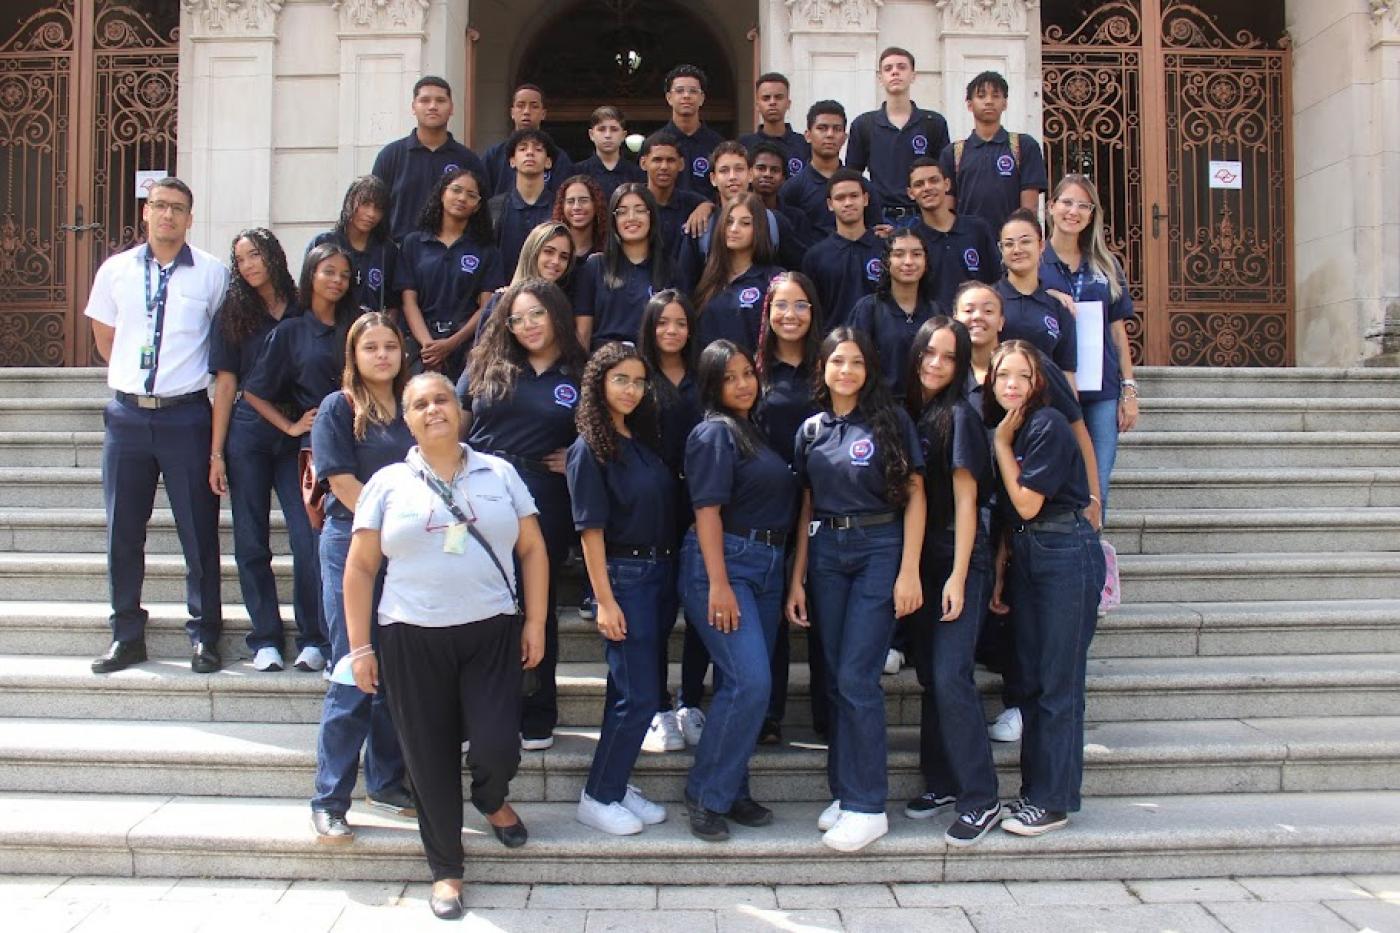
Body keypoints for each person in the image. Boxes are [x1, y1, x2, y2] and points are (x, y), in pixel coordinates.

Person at [346, 371, 548, 920]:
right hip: (409, 635)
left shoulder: (499, 472)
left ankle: (489, 796)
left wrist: (535, 622)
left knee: (498, 741)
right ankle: (446, 871)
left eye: (442, 400)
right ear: (405, 419)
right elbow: (361, 568)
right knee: (428, 757)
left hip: (492, 630)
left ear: (460, 409)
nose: (433, 409)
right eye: (419, 404)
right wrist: (360, 648)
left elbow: (532, 549)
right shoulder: (387, 483)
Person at [786, 327, 926, 853]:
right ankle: (846, 793)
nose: (846, 370)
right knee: (836, 680)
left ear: (869, 370)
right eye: (837, 361)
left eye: (856, 362)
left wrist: (909, 569)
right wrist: (797, 577)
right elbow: (805, 505)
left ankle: (869, 806)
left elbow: (915, 496)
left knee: (857, 678)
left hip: (878, 547)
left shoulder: (890, 422)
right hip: (826, 553)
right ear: (822, 368)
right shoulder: (811, 430)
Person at [85, 176, 228, 675]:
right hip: (127, 417)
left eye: (178, 208)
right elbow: (105, 338)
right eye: (160, 206)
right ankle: (126, 636)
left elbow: (222, 347)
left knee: (198, 532)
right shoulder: (115, 271)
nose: (167, 215)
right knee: (123, 532)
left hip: (187, 416)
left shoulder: (212, 274)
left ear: (191, 218)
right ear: (146, 212)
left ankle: (205, 635)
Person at [951, 281, 1102, 747]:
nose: (978, 317)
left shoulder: (1037, 388)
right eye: (968, 309)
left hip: (1042, 521)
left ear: (1002, 318)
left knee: (1045, 657)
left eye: (988, 309)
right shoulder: (952, 372)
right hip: (1000, 525)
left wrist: (1095, 499)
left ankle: (1031, 728)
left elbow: (1075, 433)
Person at [459, 280, 587, 751]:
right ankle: (480, 714)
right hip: (481, 494)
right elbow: (457, 419)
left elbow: (607, 429)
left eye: (537, 315)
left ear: (556, 314)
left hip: (543, 501)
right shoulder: (487, 364)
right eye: (517, 318)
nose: (527, 325)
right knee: (482, 605)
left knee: (536, 606)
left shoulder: (579, 371)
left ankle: (536, 709)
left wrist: (577, 453)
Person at [985, 340, 1106, 837]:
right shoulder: (1020, 428)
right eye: (1001, 377)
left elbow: (1029, 503)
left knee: (1058, 683)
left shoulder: (1048, 425)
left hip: (1063, 551)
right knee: (1033, 681)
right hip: (1031, 553)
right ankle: (1034, 793)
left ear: (1039, 382)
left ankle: (1053, 800)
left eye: (1021, 376)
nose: (1010, 385)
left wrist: (998, 446)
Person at [678, 340, 795, 841]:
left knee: (741, 685)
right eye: (730, 378)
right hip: (727, 564)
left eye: (747, 373)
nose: (743, 383)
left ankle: (732, 787)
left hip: (767, 565)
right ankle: (706, 794)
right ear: (711, 386)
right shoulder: (713, 434)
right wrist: (719, 583)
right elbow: (706, 512)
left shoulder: (752, 432)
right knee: (751, 682)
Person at [308, 312, 415, 842]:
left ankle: (388, 781)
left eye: (389, 346)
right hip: (352, 543)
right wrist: (387, 532)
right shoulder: (339, 407)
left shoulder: (415, 405)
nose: (381, 355)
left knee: (396, 668)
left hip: (409, 553)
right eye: (370, 346)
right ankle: (330, 799)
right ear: (354, 355)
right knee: (353, 668)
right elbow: (342, 483)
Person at [566, 342, 676, 836]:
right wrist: (605, 600)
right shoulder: (590, 447)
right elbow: (590, 531)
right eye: (620, 380)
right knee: (639, 695)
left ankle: (615, 779)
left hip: (658, 576)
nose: (631, 390)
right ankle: (599, 795)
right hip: (623, 579)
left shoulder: (639, 440)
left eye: (638, 381)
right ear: (599, 384)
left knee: (628, 694)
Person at [901, 317, 1001, 846]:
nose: (936, 364)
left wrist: (960, 576)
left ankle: (981, 798)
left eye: (947, 356)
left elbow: (967, 502)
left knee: (952, 675)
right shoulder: (916, 413)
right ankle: (940, 781)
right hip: (922, 557)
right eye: (928, 354)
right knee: (930, 677)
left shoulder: (960, 415)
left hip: (956, 556)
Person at [208, 228, 324, 673]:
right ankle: (266, 638)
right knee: (251, 540)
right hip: (248, 436)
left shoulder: (302, 306)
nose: (249, 265)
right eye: (240, 260)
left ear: (273, 255)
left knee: (306, 536)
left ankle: (313, 636)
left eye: (255, 254)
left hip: (296, 437)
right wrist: (217, 453)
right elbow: (226, 384)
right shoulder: (233, 314)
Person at [753, 272, 828, 744]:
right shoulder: (755, 370)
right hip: (765, 508)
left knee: (824, 615)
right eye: (781, 305)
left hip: (825, 503)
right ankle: (767, 715)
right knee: (769, 619)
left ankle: (828, 715)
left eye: (800, 305)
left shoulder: (828, 365)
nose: (790, 315)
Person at [1043, 174, 1138, 517]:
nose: (1074, 211)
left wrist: (1129, 390)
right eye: (1067, 202)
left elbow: (1117, 331)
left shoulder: (1106, 265)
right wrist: (1045, 295)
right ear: (1051, 207)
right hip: (1052, 389)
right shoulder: (1035, 262)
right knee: (1054, 478)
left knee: (1097, 484)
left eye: (1084, 205)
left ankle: (1093, 559)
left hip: (1101, 391)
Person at [636, 291, 705, 752]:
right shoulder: (638, 375)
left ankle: (692, 701)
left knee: (699, 611)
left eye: (680, 323)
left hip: (700, 501)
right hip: (651, 505)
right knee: (659, 611)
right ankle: (658, 705)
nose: (672, 332)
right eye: (663, 323)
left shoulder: (704, 376)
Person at [242, 245, 359, 468]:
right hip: (319, 442)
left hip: (362, 435)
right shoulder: (291, 331)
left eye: (345, 276)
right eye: (329, 272)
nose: (337, 280)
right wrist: (290, 426)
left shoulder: (359, 326)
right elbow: (253, 392)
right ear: (311, 274)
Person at [396, 168, 503, 381]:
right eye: (456, 190)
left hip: (466, 350)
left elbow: (487, 307)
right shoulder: (414, 243)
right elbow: (408, 302)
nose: (462, 198)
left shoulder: (486, 250)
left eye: (471, 195)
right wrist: (428, 346)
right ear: (442, 193)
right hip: (419, 348)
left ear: (478, 206)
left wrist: (451, 344)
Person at [372, 76, 487, 241]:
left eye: (440, 100)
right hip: (400, 255)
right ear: (413, 107)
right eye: (425, 100)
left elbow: (480, 212)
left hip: (453, 255)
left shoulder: (468, 160)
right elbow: (375, 208)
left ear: (451, 108)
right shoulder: (390, 156)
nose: (433, 107)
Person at [847, 47, 951, 228]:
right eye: (888, 69)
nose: (895, 72)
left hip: (924, 217)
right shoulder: (863, 125)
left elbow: (944, 176)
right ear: (880, 78)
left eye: (901, 67)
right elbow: (853, 177)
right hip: (879, 218)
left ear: (913, 75)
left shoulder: (933, 123)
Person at [939, 71, 1048, 234]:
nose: (989, 101)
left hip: (1010, 244)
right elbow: (947, 208)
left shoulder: (1023, 146)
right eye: (981, 96)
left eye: (996, 96)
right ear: (969, 104)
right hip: (968, 244)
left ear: (1005, 103)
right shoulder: (953, 153)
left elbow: (1029, 209)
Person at [573, 183, 673, 348]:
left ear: (652, 217)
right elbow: (583, 334)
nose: (631, 217)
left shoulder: (669, 269)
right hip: (603, 363)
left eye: (640, 210)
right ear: (614, 220)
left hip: (649, 364)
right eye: (622, 212)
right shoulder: (595, 267)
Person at [847, 229, 939, 401]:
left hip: (930, 410)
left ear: (926, 262)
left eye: (916, 254)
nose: (908, 261)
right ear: (886, 262)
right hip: (880, 411)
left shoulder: (935, 312)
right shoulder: (868, 309)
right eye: (899, 254)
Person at [995, 208, 1078, 383]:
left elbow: (1067, 372)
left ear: (1041, 246)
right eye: (1009, 244)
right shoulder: (989, 301)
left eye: (1025, 242)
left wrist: (1073, 410)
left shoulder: (1058, 307)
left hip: (1046, 404)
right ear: (1001, 250)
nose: (1017, 250)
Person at [693, 193, 783, 353]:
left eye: (745, 223)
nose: (734, 229)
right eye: (729, 222)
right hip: (709, 373)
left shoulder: (774, 280)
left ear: (759, 228)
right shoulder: (708, 277)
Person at [908, 157, 1000, 311]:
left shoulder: (978, 229)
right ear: (911, 193)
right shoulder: (911, 239)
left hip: (975, 323)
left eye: (934, 180)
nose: (927, 187)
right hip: (933, 328)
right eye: (919, 184)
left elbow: (996, 281)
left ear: (947, 184)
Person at [780, 101, 882, 236]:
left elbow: (875, 234)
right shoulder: (792, 189)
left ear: (844, 138)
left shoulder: (862, 187)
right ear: (808, 135)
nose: (830, 134)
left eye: (837, 129)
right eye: (822, 128)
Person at [800, 169, 883, 329]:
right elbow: (812, 312)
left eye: (854, 196)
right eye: (840, 198)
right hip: (833, 346)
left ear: (865, 199)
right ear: (830, 205)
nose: (848, 203)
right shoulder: (815, 257)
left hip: (879, 345)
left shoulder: (886, 249)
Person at [306, 175, 400, 313]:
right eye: (365, 204)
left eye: (378, 208)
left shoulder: (387, 250)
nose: (371, 214)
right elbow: (307, 292)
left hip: (369, 330)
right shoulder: (324, 243)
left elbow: (394, 305)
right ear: (350, 203)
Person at [481, 83, 575, 196]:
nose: (526, 111)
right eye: (520, 105)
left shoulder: (557, 157)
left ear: (543, 114)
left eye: (534, 106)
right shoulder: (494, 156)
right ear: (512, 113)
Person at [489, 128, 560, 275]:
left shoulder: (560, 207)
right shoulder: (494, 208)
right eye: (522, 148)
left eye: (538, 149)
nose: (530, 152)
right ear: (512, 161)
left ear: (548, 162)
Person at [660, 64, 725, 195]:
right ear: (669, 98)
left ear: (702, 99)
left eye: (693, 91)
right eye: (679, 91)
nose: (686, 96)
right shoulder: (656, 145)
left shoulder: (718, 145)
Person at [641, 131, 707, 257]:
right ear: (644, 163)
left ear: (681, 164)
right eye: (657, 160)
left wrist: (706, 207)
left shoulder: (692, 203)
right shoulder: (633, 202)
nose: (664, 166)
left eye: (670, 160)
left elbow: (711, 205)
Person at [738, 72, 811, 178]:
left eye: (778, 97)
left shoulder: (804, 145)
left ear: (788, 103)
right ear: (757, 105)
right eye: (766, 98)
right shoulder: (744, 145)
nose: (772, 102)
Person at [750, 141, 814, 263]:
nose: (767, 174)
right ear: (749, 173)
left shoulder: (797, 218)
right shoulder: (738, 213)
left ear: (783, 179)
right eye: (761, 168)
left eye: (774, 170)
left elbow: (804, 260)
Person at [576, 105, 646, 198]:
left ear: (623, 135)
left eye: (614, 129)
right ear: (591, 134)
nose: (608, 135)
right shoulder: (577, 172)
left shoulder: (637, 174)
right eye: (601, 129)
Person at [552, 174, 607, 263]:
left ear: (596, 204)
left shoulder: (609, 251)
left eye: (583, 200)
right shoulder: (551, 248)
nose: (576, 207)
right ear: (562, 207)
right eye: (570, 201)